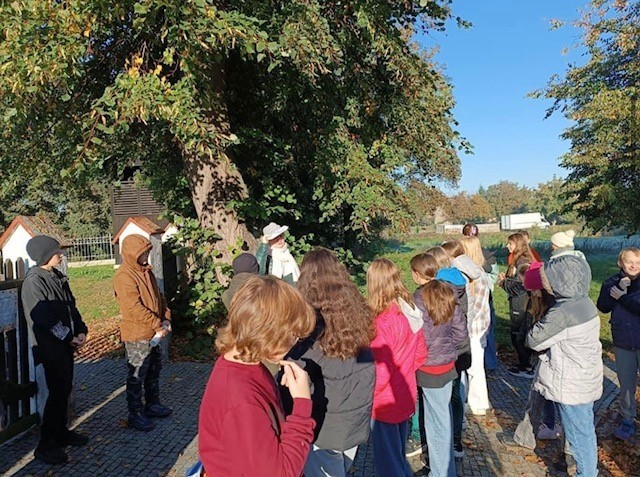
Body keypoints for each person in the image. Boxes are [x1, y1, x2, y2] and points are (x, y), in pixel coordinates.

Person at [198, 276, 316, 476]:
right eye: (293, 335)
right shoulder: (242, 401)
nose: (295, 343)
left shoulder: (247, 364)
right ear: (268, 332)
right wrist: (302, 406)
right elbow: (282, 473)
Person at [286, 247, 375, 477]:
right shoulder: (356, 314)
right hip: (352, 419)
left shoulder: (307, 327)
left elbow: (297, 378)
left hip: (323, 427)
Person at [527, 254, 602, 477]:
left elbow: (534, 340)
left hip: (571, 382)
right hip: (585, 376)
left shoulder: (562, 312)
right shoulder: (584, 301)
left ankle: (586, 473)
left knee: (579, 436)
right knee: (585, 431)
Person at [22, 235, 89, 464]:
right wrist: (69, 338)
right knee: (56, 393)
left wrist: (81, 329)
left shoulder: (57, 276)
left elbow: (72, 307)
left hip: (64, 346)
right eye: (56, 251)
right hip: (50, 348)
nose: (61, 254)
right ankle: (46, 444)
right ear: (44, 255)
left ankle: (61, 433)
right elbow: (43, 319)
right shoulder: (34, 282)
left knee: (64, 390)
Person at [366, 258, 427, 477]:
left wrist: (366, 396)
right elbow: (421, 355)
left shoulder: (381, 323)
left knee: (388, 462)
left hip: (385, 401)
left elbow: (380, 373)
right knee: (398, 455)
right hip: (406, 391)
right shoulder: (409, 310)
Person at [411, 253, 467, 475]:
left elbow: (416, 336)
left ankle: (440, 472)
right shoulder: (448, 294)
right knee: (442, 417)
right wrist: (447, 350)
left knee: (436, 423)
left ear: (417, 274)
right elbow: (461, 334)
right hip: (447, 365)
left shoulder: (417, 299)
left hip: (427, 367)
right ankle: (442, 468)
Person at [114, 234, 173, 432]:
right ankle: (135, 413)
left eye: (148, 251)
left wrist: (166, 317)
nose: (147, 255)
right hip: (137, 334)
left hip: (154, 331)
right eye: (143, 252)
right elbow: (132, 307)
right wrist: (157, 323)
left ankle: (152, 404)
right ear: (132, 254)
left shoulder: (147, 272)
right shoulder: (124, 276)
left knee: (154, 370)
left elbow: (159, 297)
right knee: (137, 374)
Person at [597, 247, 640, 443]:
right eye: (630, 262)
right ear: (620, 263)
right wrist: (617, 290)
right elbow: (603, 307)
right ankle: (628, 418)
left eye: (638, 263)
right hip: (623, 341)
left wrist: (622, 296)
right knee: (627, 384)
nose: (634, 266)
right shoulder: (611, 283)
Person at [458, 236, 492, 416]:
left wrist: (464, 325)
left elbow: (477, 306)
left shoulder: (477, 276)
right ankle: (470, 399)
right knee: (470, 365)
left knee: (475, 367)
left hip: (475, 329)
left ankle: (479, 402)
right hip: (474, 327)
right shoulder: (473, 274)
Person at [499, 233, 535, 378]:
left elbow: (521, 285)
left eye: (511, 244)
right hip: (521, 301)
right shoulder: (519, 259)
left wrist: (503, 282)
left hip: (521, 302)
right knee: (519, 332)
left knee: (518, 333)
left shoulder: (521, 261)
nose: (508, 246)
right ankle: (523, 362)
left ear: (518, 245)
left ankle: (526, 366)